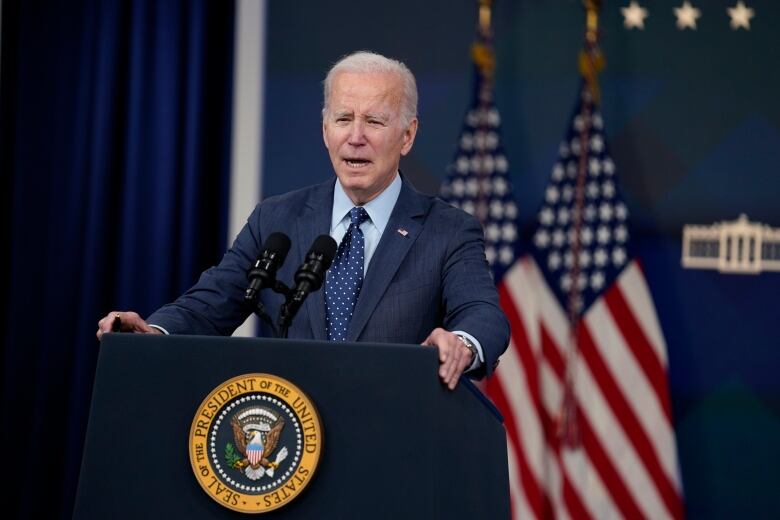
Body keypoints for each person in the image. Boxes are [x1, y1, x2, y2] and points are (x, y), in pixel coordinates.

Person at [97, 51, 509, 389]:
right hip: (295, 442)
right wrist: (153, 335)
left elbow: (483, 315)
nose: (356, 136)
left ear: (407, 135)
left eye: (375, 121)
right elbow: (211, 304)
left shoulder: (447, 230)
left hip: (396, 443)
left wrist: (461, 343)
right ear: (325, 128)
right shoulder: (278, 218)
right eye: (344, 118)